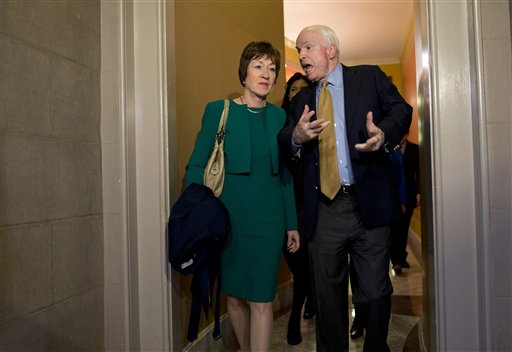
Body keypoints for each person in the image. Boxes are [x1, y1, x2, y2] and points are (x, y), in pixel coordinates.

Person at [278, 25, 412, 352]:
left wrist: (383, 134)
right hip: (324, 210)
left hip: (370, 204)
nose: (302, 55)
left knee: (376, 292)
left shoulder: (368, 77)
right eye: (299, 49)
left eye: (307, 47)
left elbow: (402, 111)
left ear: (331, 50)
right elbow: (285, 138)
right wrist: (296, 138)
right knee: (326, 297)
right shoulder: (302, 100)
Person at [185, 41, 300, 352]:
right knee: (234, 296)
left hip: (268, 222)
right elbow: (196, 164)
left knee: (262, 298)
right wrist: (195, 212)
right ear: (244, 72)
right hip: (227, 221)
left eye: (272, 68)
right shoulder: (217, 111)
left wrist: (292, 223)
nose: (266, 74)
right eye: (258, 66)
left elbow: (286, 176)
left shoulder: (279, 118)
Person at [280, 72, 315, 346]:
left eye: (303, 90)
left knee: (302, 263)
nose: (297, 95)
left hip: (305, 205)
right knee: (295, 263)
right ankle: (311, 295)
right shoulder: (277, 122)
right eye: (293, 90)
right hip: (280, 203)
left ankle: (295, 317)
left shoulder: (316, 127)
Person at [390, 132, 420, 274]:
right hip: (393, 196)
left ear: (407, 134)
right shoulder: (390, 149)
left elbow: (420, 173)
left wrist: (419, 192)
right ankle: (396, 259)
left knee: (403, 228)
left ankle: (400, 258)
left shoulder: (415, 149)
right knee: (394, 229)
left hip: (409, 195)